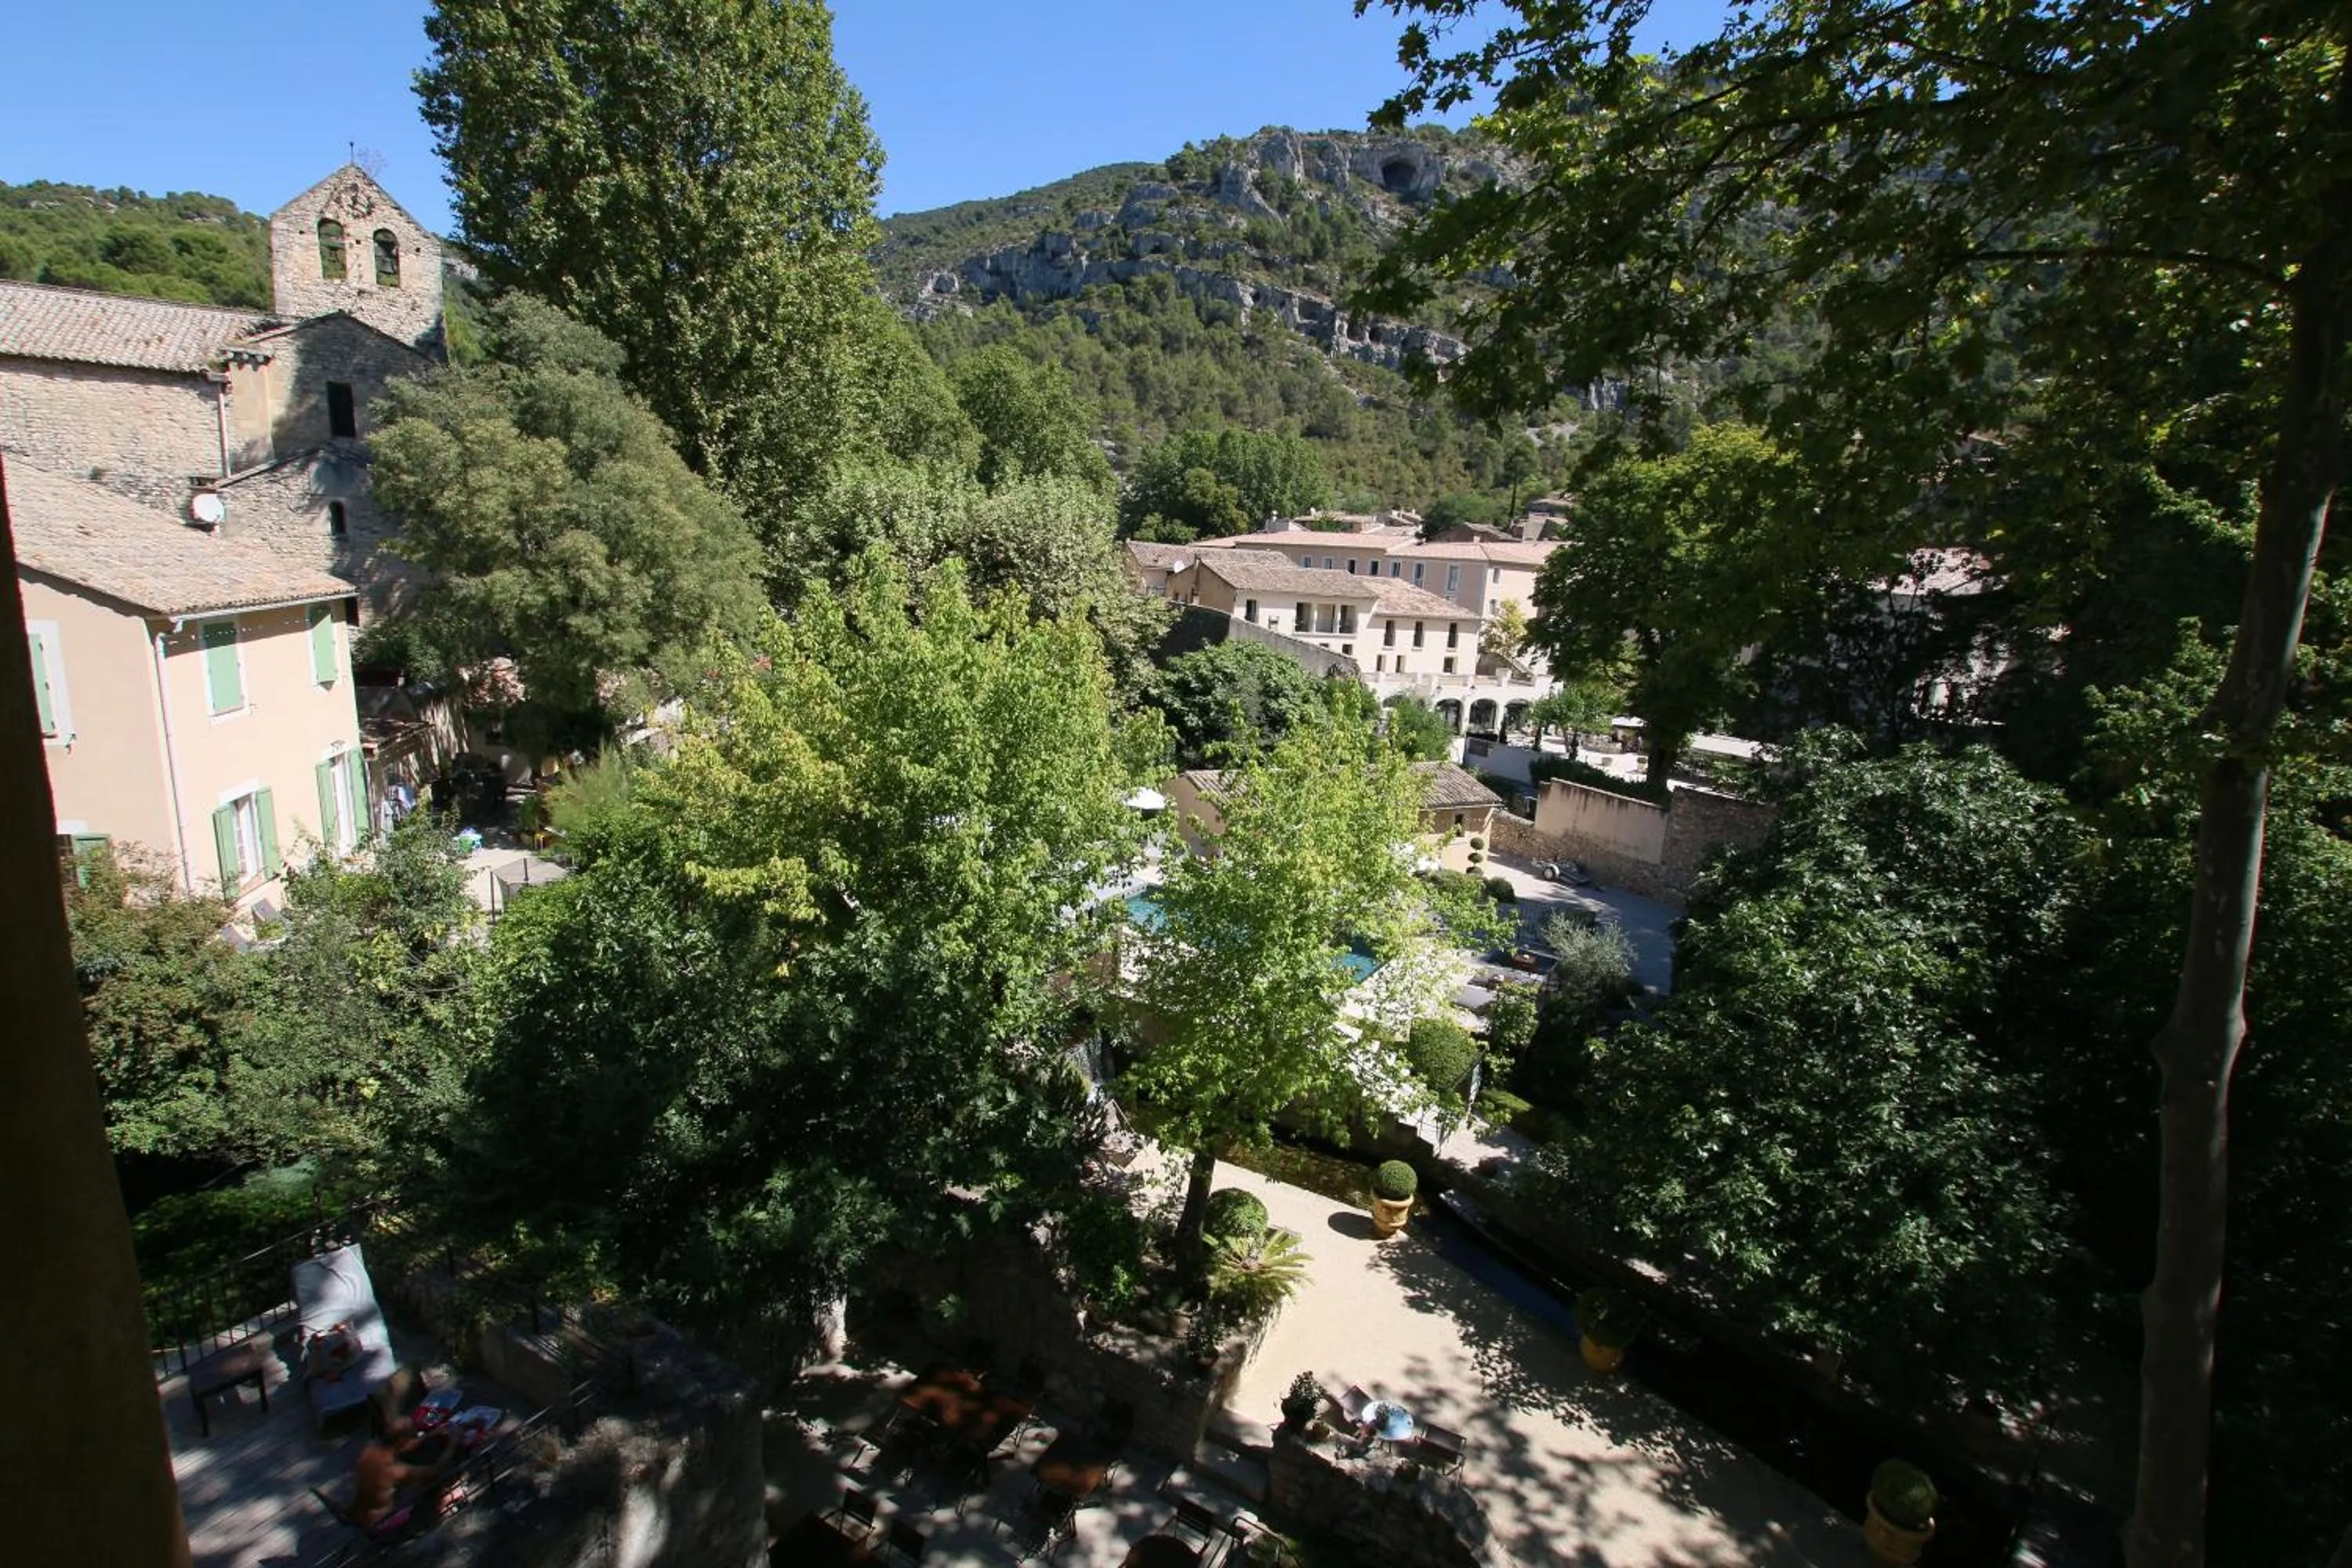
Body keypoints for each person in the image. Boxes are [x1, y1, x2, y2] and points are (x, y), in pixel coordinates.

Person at [350, 1414, 454, 1530]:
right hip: (381, 1521)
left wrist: (432, 1433)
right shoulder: (395, 1470)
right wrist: (453, 1442)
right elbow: (435, 1469)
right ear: (402, 1440)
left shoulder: (369, 1451)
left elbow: (401, 1446)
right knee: (429, 1482)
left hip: (362, 1512)